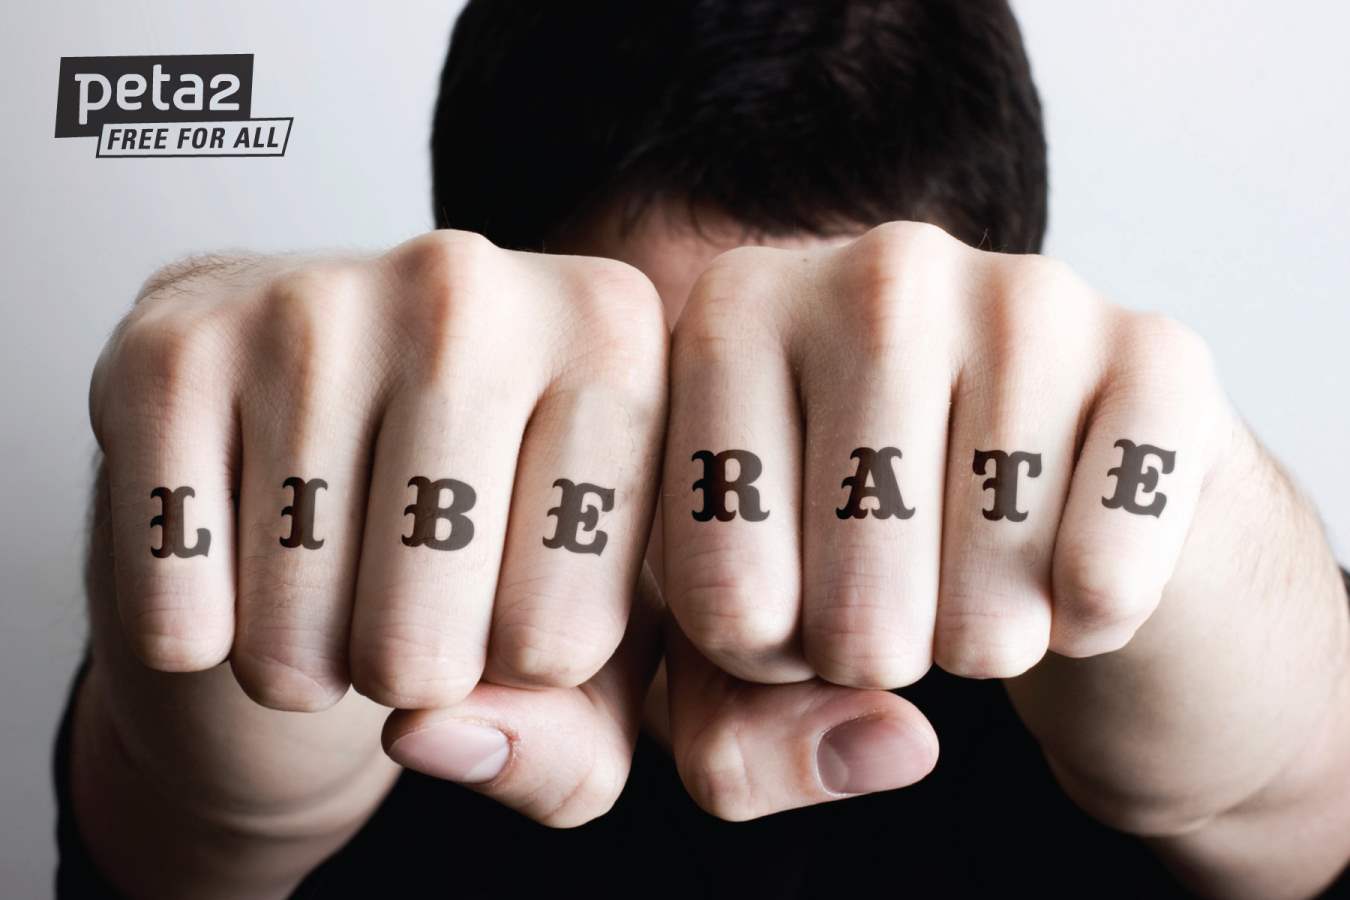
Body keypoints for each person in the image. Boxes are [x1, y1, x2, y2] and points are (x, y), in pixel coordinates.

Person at [54, 1, 1350, 897]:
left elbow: (1298, 782)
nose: (723, 556)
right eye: (658, 419)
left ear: (987, 357)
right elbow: (207, 816)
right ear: (480, 335)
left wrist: (1192, 509)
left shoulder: (1075, 635)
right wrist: (228, 465)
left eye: (824, 418)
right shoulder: (379, 622)